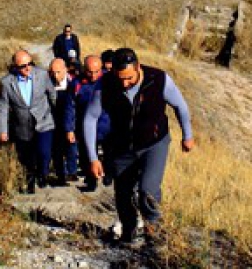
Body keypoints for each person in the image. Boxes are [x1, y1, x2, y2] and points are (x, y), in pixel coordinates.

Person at [83, 48, 195, 246]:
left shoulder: (158, 79)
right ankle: (129, 232)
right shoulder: (105, 84)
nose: (124, 84)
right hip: (123, 145)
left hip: (154, 142)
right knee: (123, 193)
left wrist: (188, 135)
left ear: (138, 67)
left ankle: (155, 234)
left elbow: (181, 106)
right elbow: (90, 119)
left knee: (147, 190)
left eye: (128, 78)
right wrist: (93, 158)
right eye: (120, 79)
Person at [0, 50, 57, 194]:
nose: (28, 68)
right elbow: (4, 106)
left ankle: (42, 174)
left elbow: (52, 94)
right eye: (23, 66)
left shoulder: (42, 75)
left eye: (30, 64)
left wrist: (55, 114)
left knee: (44, 153)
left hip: (44, 121)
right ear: (15, 67)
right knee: (26, 157)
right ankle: (30, 182)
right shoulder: (7, 82)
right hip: (22, 125)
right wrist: (3, 130)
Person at [65, 55, 111, 191]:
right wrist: (69, 129)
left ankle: (108, 174)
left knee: (110, 153)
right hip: (84, 126)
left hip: (107, 125)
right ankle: (91, 180)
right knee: (87, 155)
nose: (93, 75)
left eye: (97, 71)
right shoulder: (76, 84)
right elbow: (70, 108)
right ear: (85, 69)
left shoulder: (108, 81)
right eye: (90, 71)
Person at [48, 58, 78, 186]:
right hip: (53, 120)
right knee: (57, 149)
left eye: (58, 72)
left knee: (71, 145)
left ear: (65, 70)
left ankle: (72, 171)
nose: (56, 75)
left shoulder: (74, 83)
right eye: (53, 72)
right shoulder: (47, 83)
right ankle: (60, 174)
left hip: (71, 119)